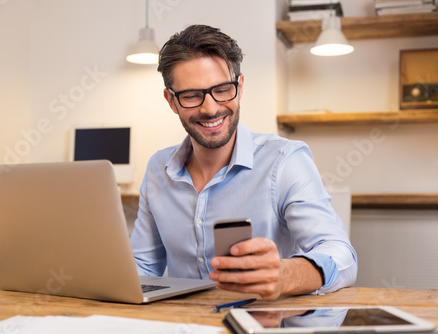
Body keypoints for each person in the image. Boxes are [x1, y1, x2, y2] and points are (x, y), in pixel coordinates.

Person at [130, 24, 357, 300]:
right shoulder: (158, 169)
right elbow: (142, 269)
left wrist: (286, 275)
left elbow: (341, 255)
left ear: (240, 86)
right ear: (171, 101)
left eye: (223, 90)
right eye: (191, 95)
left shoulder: (285, 161)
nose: (210, 108)